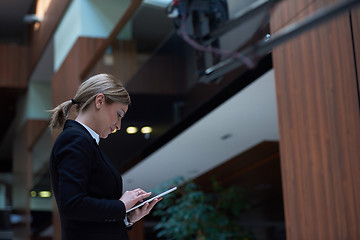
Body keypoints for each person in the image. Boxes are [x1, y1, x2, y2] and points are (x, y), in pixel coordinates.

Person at [48, 73, 161, 240]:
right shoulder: (75, 139)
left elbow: (87, 216)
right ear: (99, 101)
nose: (119, 125)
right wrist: (121, 206)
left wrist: (126, 217)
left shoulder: (83, 141)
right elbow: (72, 204)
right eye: (119, 114)